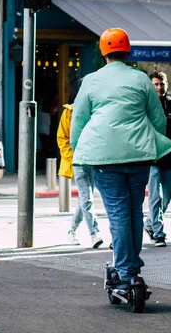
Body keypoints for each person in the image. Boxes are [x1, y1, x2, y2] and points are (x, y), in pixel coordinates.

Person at [71, 28, 171, 289]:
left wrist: (78, 151)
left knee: (118, 212)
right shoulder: (141, 79)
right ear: (127, 51)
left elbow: (79, 121)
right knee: (134, 212)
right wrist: (150, 142)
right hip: (139, 156)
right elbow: (159, 120)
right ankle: (131, 265)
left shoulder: (91, 81)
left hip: (104, 158)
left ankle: (127, 270)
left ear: (103, 52)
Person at [144, 71, 171, 247]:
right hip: (152, 161)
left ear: (166, 85)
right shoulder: (147, 106)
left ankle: (149, 224)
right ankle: (159, 234)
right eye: (156, 84)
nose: (159, 87)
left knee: (166, 198)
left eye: (161, 84)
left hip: (169, 160)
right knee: (155, 197)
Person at [58, 103, 103, 248]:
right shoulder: (69, 112)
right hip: (78, 161)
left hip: (94, 160)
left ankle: (72, 230)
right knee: (86, 197)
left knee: (84, 198)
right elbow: (62, 138)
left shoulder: (98, 110)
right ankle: (94, 233)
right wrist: (73, 157)